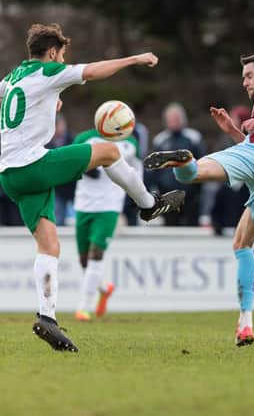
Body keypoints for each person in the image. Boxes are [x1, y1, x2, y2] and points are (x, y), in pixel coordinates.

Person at [0, 23, 185, 352]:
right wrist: (133, 60)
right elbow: (94, 71)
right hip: (32, 165)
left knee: (49, 245)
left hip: (9, 175)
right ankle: (148, 205)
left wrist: (46, 105)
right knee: (109, 151)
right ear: (54, 52)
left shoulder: (15, 77)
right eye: (62, 55)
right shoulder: (49, 70)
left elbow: (15, 103)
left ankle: (48, 318)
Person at [144, 53, 254, 346]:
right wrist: (234, 132)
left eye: (249, 75)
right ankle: (245, 324)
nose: (245, 82)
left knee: (188, 175)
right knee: (242, 244)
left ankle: (184, 160)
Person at [72, 128, 139, 321]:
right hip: (83, 204)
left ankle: (83, 307)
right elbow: (75, 160)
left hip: (109, 205)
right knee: (84, 260)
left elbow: (122, 159)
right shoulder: (84, 137)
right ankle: (104, 288)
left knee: (96, 254)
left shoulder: (129, 141)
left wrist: (93, 164)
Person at [150, 102, 206, 225]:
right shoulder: (160, 140)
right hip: (168, 196)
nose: (173, 122)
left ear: (183, 119)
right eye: (170, 119)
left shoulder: (193, 138)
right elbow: (154, 169)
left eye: (176, 118)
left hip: (190, 195)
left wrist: (197, 189)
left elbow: (202, 164)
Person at [47, 113, 75, 225]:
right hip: (57, 188)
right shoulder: (46, 142)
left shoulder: (74, 140)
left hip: (73, 185)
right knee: (58, 218)